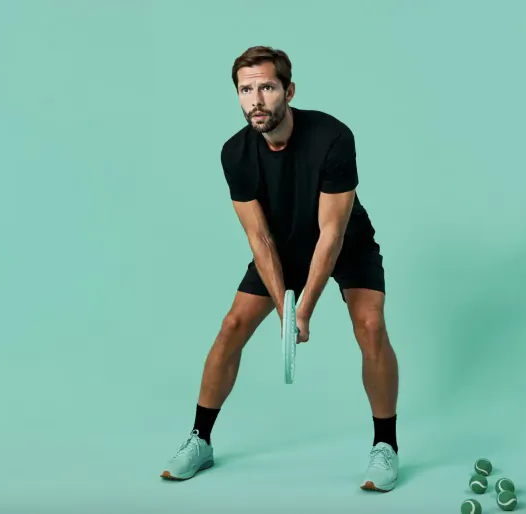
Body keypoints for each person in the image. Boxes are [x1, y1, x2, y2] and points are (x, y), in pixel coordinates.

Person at [159, 46, 401, 492]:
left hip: (347, 244)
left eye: (266, 87)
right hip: (282, 248)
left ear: (288, 90)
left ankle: (385, 445)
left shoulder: (333, 137)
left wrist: (302, 310)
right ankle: (200, 440)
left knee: (370, 326)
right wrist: (281, 305)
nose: (256, 99)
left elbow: (331, 234)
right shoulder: (235, 153)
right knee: (232, 325)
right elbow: (260, 239)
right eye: (245, 90)